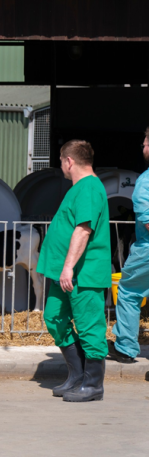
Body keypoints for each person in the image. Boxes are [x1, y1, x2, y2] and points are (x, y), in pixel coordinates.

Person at [38, 140, 110, 402]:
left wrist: (68, 266)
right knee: (54, 317)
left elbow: (83, 229)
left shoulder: (89, 187)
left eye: (60, 160)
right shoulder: (78, 188)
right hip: (65, 273)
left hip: (82, 273)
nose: (61, 165)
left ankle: (93, 385)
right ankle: (76, 375)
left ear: (69, 161)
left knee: (90, 327)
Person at [110, 130, 149, 364]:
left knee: (128, 291)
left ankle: (125, 347)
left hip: (146, 250)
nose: (142, 147)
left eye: (145, 143)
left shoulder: (145, 182)